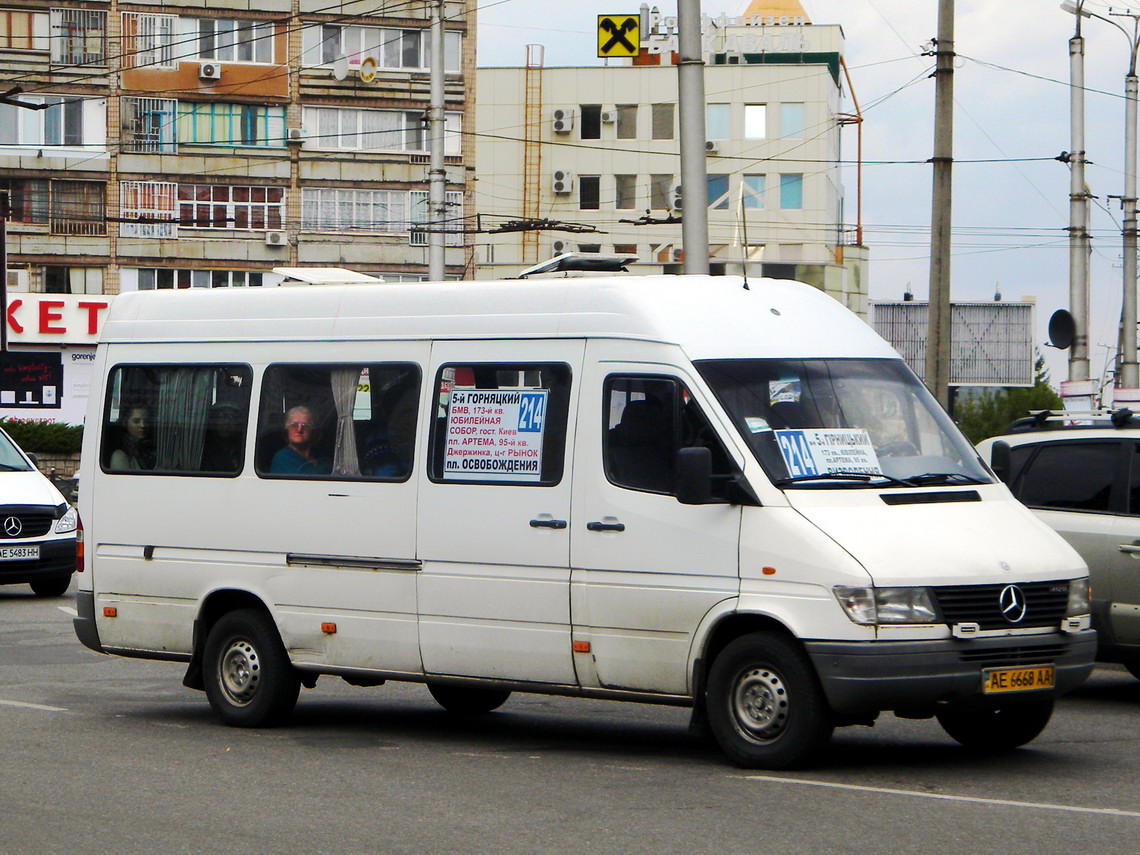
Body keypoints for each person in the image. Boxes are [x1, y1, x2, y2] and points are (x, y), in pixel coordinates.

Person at [270, 405, 331, 475]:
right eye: (294, 425)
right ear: (287, 430)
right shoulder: (282, 458)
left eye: (305, 426)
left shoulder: (321, 457)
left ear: (313, 431)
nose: (299, 430)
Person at [201, 401, 244, 472]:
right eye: (223, 416)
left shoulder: (240, 445)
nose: (227, 422)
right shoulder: (203, 446)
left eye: (232, 417)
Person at [110, 403, 153, 470]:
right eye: (136, 421)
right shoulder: (120, 456)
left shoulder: (151, 450)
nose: (143, 425)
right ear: (125, 423)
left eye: (146, 421)